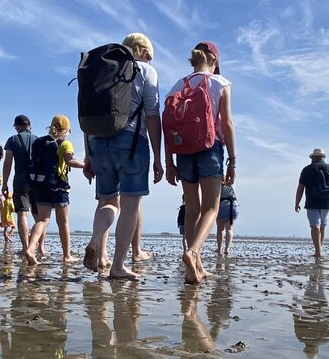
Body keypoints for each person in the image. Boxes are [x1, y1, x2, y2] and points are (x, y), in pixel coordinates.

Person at [82, 32, 163, 279]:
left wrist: (88, 155)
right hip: (131, 141)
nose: (148, 59)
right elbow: (151, 113)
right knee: (130, 205)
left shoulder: (102, 70)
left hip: (97, 141)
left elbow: (86, 116)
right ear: (141, 50)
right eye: (148, 55)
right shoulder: (146, 71)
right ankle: (117, 266)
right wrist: (158, 157)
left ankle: (97, 241)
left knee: (107, 201)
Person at [163, 41, 236, 284]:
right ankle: (192, 253)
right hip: (209, 148)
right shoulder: (220, 82)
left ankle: (196, 267)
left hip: (183, 151)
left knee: (192, 209)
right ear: (214, 61)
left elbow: (168, 126)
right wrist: (233, 160)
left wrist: (169, 161)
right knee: (211, 209)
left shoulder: (178, 85)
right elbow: (226, 124)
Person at [24, 114, 84, 264]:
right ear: (66, 130)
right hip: (59, 187)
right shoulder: (65, 144)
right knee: (63, 222)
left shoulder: (39, 143)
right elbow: (69, 161)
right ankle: (66, 255)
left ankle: (30, 248)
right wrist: (86, 165)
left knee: (43, 220)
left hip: (40, 185)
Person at [295, 148, 329, 259]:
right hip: (326, 201)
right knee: (322, 226)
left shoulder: (307, 169)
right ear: (323, 158)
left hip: (312, 201)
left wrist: (297, 203)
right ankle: (319, 249)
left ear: (313, 158)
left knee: (315, 226)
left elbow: (300, 188)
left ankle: (318, 252)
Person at [1, 114, 36, 256]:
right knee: (40, 216)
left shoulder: (13, 140)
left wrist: (4, 183)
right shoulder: (38, 140)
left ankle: (26, 247)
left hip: (21, 179)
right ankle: (39, 247)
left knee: (22, 214)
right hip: (38, 180)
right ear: (30, 126)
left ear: (17, 127)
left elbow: (8, 162)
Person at [215, 183, 238, 256]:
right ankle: (227, 249)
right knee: (229, 229)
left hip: (221, 206)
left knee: (220, 229)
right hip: (233, 205)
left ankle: (219, 249)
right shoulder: (231, 183)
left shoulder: (217, 184)